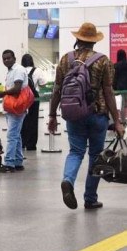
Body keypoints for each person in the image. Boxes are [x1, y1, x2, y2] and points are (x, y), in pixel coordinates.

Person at [48, 22, 125, 210]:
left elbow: (57, 90)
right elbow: (108, 92)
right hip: (97, 114)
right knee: (95, 156)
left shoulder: (66, 60)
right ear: (94, 41)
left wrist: (52, 115)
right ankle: (90, 198)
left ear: (78, 39)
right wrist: (117, 121)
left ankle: (68, 180)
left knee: (75, 152)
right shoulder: (103, 60)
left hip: (73, 113)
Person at [0, 50, 28, 173]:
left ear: (14, 58)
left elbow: (17, 89)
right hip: (12, 107)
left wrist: (2, 94)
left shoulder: (18, 70)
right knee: (16, 135)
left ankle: (9, 163)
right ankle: (18, 162)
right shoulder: (11, 71)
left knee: (12, 135)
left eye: (9, 58)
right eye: (4, 59)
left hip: (17, 107)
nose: (6, 60)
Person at [20, 53, 46, 151]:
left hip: (21, 98)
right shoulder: (37, 70)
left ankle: (22, 143)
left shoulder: (19, 70)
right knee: (33, 120)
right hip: (34, 98)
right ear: (32, 61)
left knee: (21, 120)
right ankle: (31, 145)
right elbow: (43, 84)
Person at [114, 49, 127, 121]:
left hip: (119, 88)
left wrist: (114, 87)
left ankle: (122, 120)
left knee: (121, 104)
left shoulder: (115, 65)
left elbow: (114, 78)